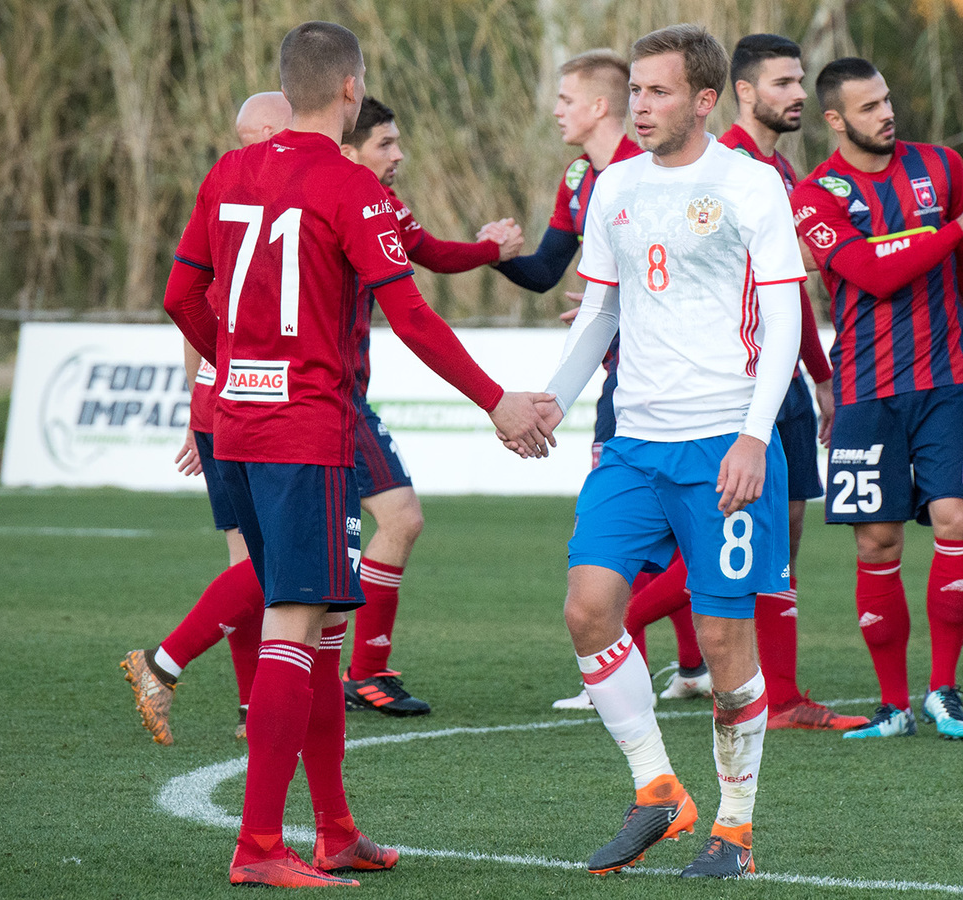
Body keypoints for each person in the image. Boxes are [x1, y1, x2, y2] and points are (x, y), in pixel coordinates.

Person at [163, 20, 551, 886]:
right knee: (296, 624)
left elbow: (180, 293)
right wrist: (496, 400)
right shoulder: (350, 186)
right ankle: (259, 846)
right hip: (307, 431)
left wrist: (236, 362)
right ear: (350, 88)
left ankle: (335, 831)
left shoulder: (227, 172)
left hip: (237, 426)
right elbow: (409, 315)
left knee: (322, 630)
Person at [529, 25, 804, 878]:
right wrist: (556, 397)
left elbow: (786, 318)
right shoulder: (614, 185)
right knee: (588, 609)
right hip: (635, 442)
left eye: (657, 92)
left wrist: (755, 435)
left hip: (725, 441)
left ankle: (735, 831)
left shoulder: (751, 184)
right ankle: (658, 789)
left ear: (704, 100)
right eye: (635, 91)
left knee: (725, 648)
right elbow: (601, 310)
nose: (640, 107)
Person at [613, 33, 867, 732]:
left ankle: (781, 695)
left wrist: (818, 374)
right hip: (726, 392)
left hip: (781, 381)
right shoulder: (717, 169)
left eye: (800, 80)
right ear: (741, 93)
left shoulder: (775, 172)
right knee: (729, 542)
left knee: (778, 539)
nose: (799, 95)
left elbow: (786, 297)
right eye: (784, 83)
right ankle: (622, 625)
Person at [792, 57, 963, 741]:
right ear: (836, 120)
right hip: (866, 392)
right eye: (869, 107)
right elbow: (869, 272)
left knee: (956, 519)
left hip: (947, 382)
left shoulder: (941, 166)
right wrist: (957, 228)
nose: (886, 113)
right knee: (877, 540)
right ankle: (894, 705)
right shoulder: (816, 195)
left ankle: (943, 690)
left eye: (887, 100)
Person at [488, 51, 707, 710]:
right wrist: (494, 256)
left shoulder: (656, 172)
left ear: (600, 106)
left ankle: (618, 658)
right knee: (645, 527)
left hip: (680, 383)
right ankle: (690, 666)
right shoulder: (582, 177)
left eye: (565, 99)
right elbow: (546, 270)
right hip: (619, 377)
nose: (556, 110)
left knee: (645, 532)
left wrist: (616, 303)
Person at [338, 96, 525, 716]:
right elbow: (413, 315)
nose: (399, 154)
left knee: (299, 543)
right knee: (397, 520)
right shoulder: (355, 200)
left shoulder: (378, 202)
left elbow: (429, 251)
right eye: (385, 144)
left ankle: (308, 678)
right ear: (348, 149)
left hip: (329, 393)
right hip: (331, 396)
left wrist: (488, 252)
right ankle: (361, 672)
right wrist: (494, 399)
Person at [121, 92, 291, 747]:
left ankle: (253, 708)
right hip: (252, 403)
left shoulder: (234, 188)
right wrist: (210, 395)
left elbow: (190, 300)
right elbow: (190, 300)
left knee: (249, 562)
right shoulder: (259, 192)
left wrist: (205, 399)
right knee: (281, 560)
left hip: (227, 401)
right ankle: (165, 661)